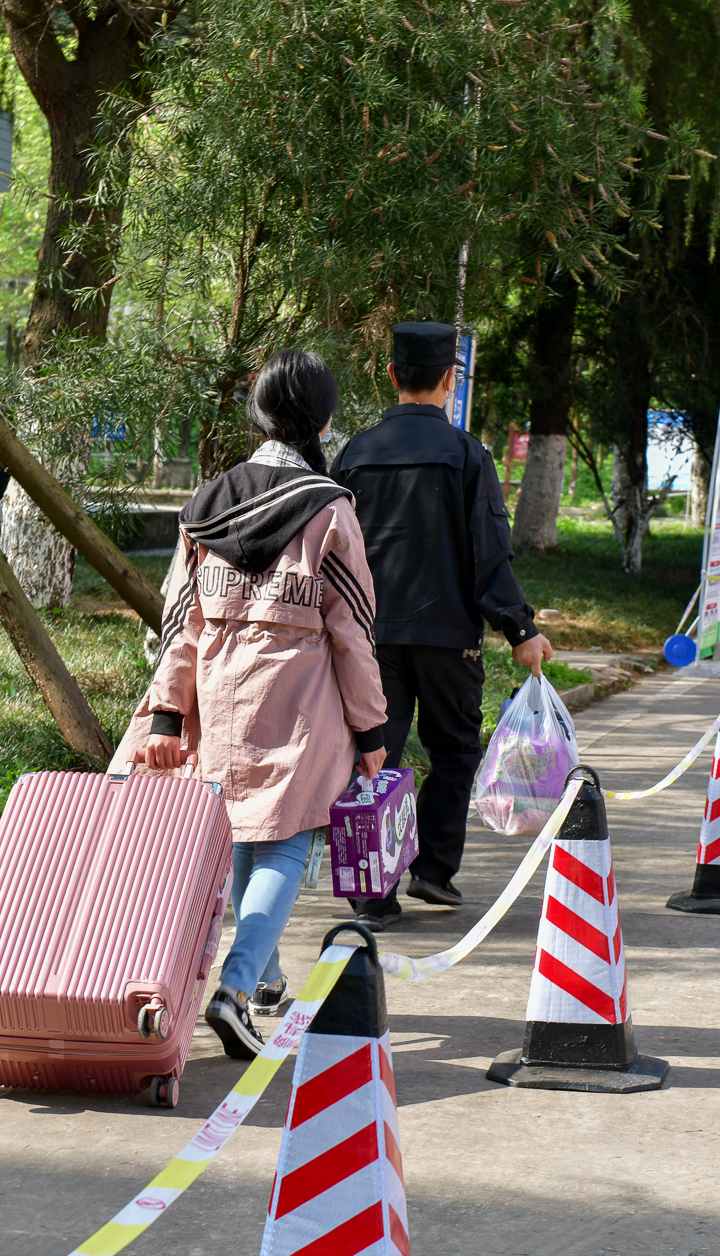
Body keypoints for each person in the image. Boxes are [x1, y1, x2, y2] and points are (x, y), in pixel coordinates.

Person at [132, 350, 389, 1059]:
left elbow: (179, 617)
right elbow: (352, 630)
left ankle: (266, 979)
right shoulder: (330, 509)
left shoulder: (208, 502)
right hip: (299, 698)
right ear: (324, 417)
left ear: (258, 414)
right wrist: (371, 727)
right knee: (283, 838)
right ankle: (236, 987)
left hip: (218, 691)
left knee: (246, 829)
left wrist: (164, 712)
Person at [330, 322, 553, 929]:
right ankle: (433, 870)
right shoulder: (466, 454)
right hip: (449, 638)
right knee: (454, 752)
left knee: (372, 757)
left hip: (368, 639)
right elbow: (490, 551)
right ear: (451, 381)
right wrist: (519, 628)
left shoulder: (353, 454)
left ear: (393, 375)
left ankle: (371, 893)